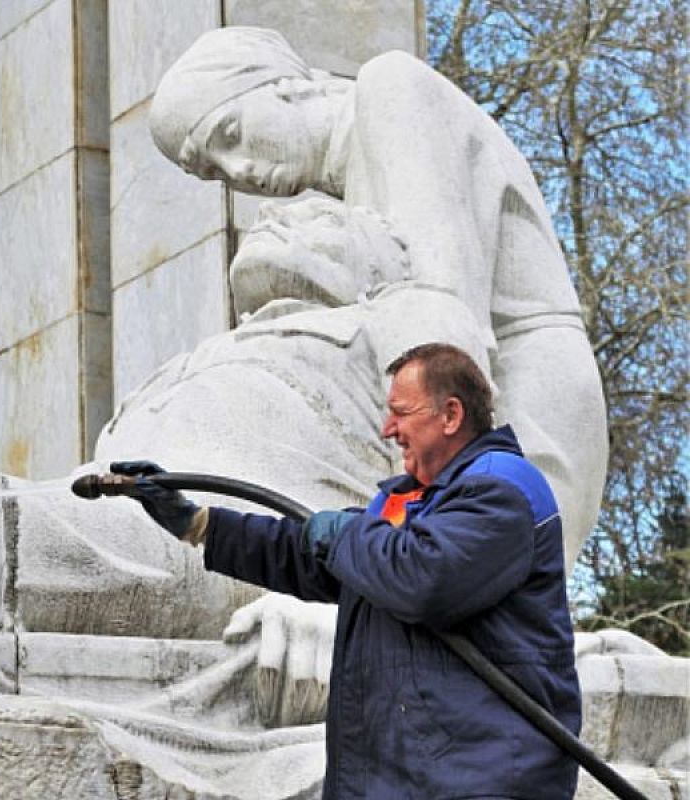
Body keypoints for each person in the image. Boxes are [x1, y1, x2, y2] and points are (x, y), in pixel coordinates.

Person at [149, 27, 608, 563]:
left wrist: (399, 562)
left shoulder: (390, 89)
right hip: (473, 424)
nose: (241, 171)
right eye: (214, 171)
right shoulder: (339, 193)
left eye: (231, 134)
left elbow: (445, 330)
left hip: (526, 408)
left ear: (286, 87)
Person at [113, 342, 582, 799]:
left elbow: (423, 579)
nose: (387, 428)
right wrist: (199, 524)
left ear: (451, 415)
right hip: (412, 780)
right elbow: (312, 555)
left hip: (482, 780)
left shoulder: (503, 489)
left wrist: (346, 535)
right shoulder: (415, 507)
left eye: (401, 412)